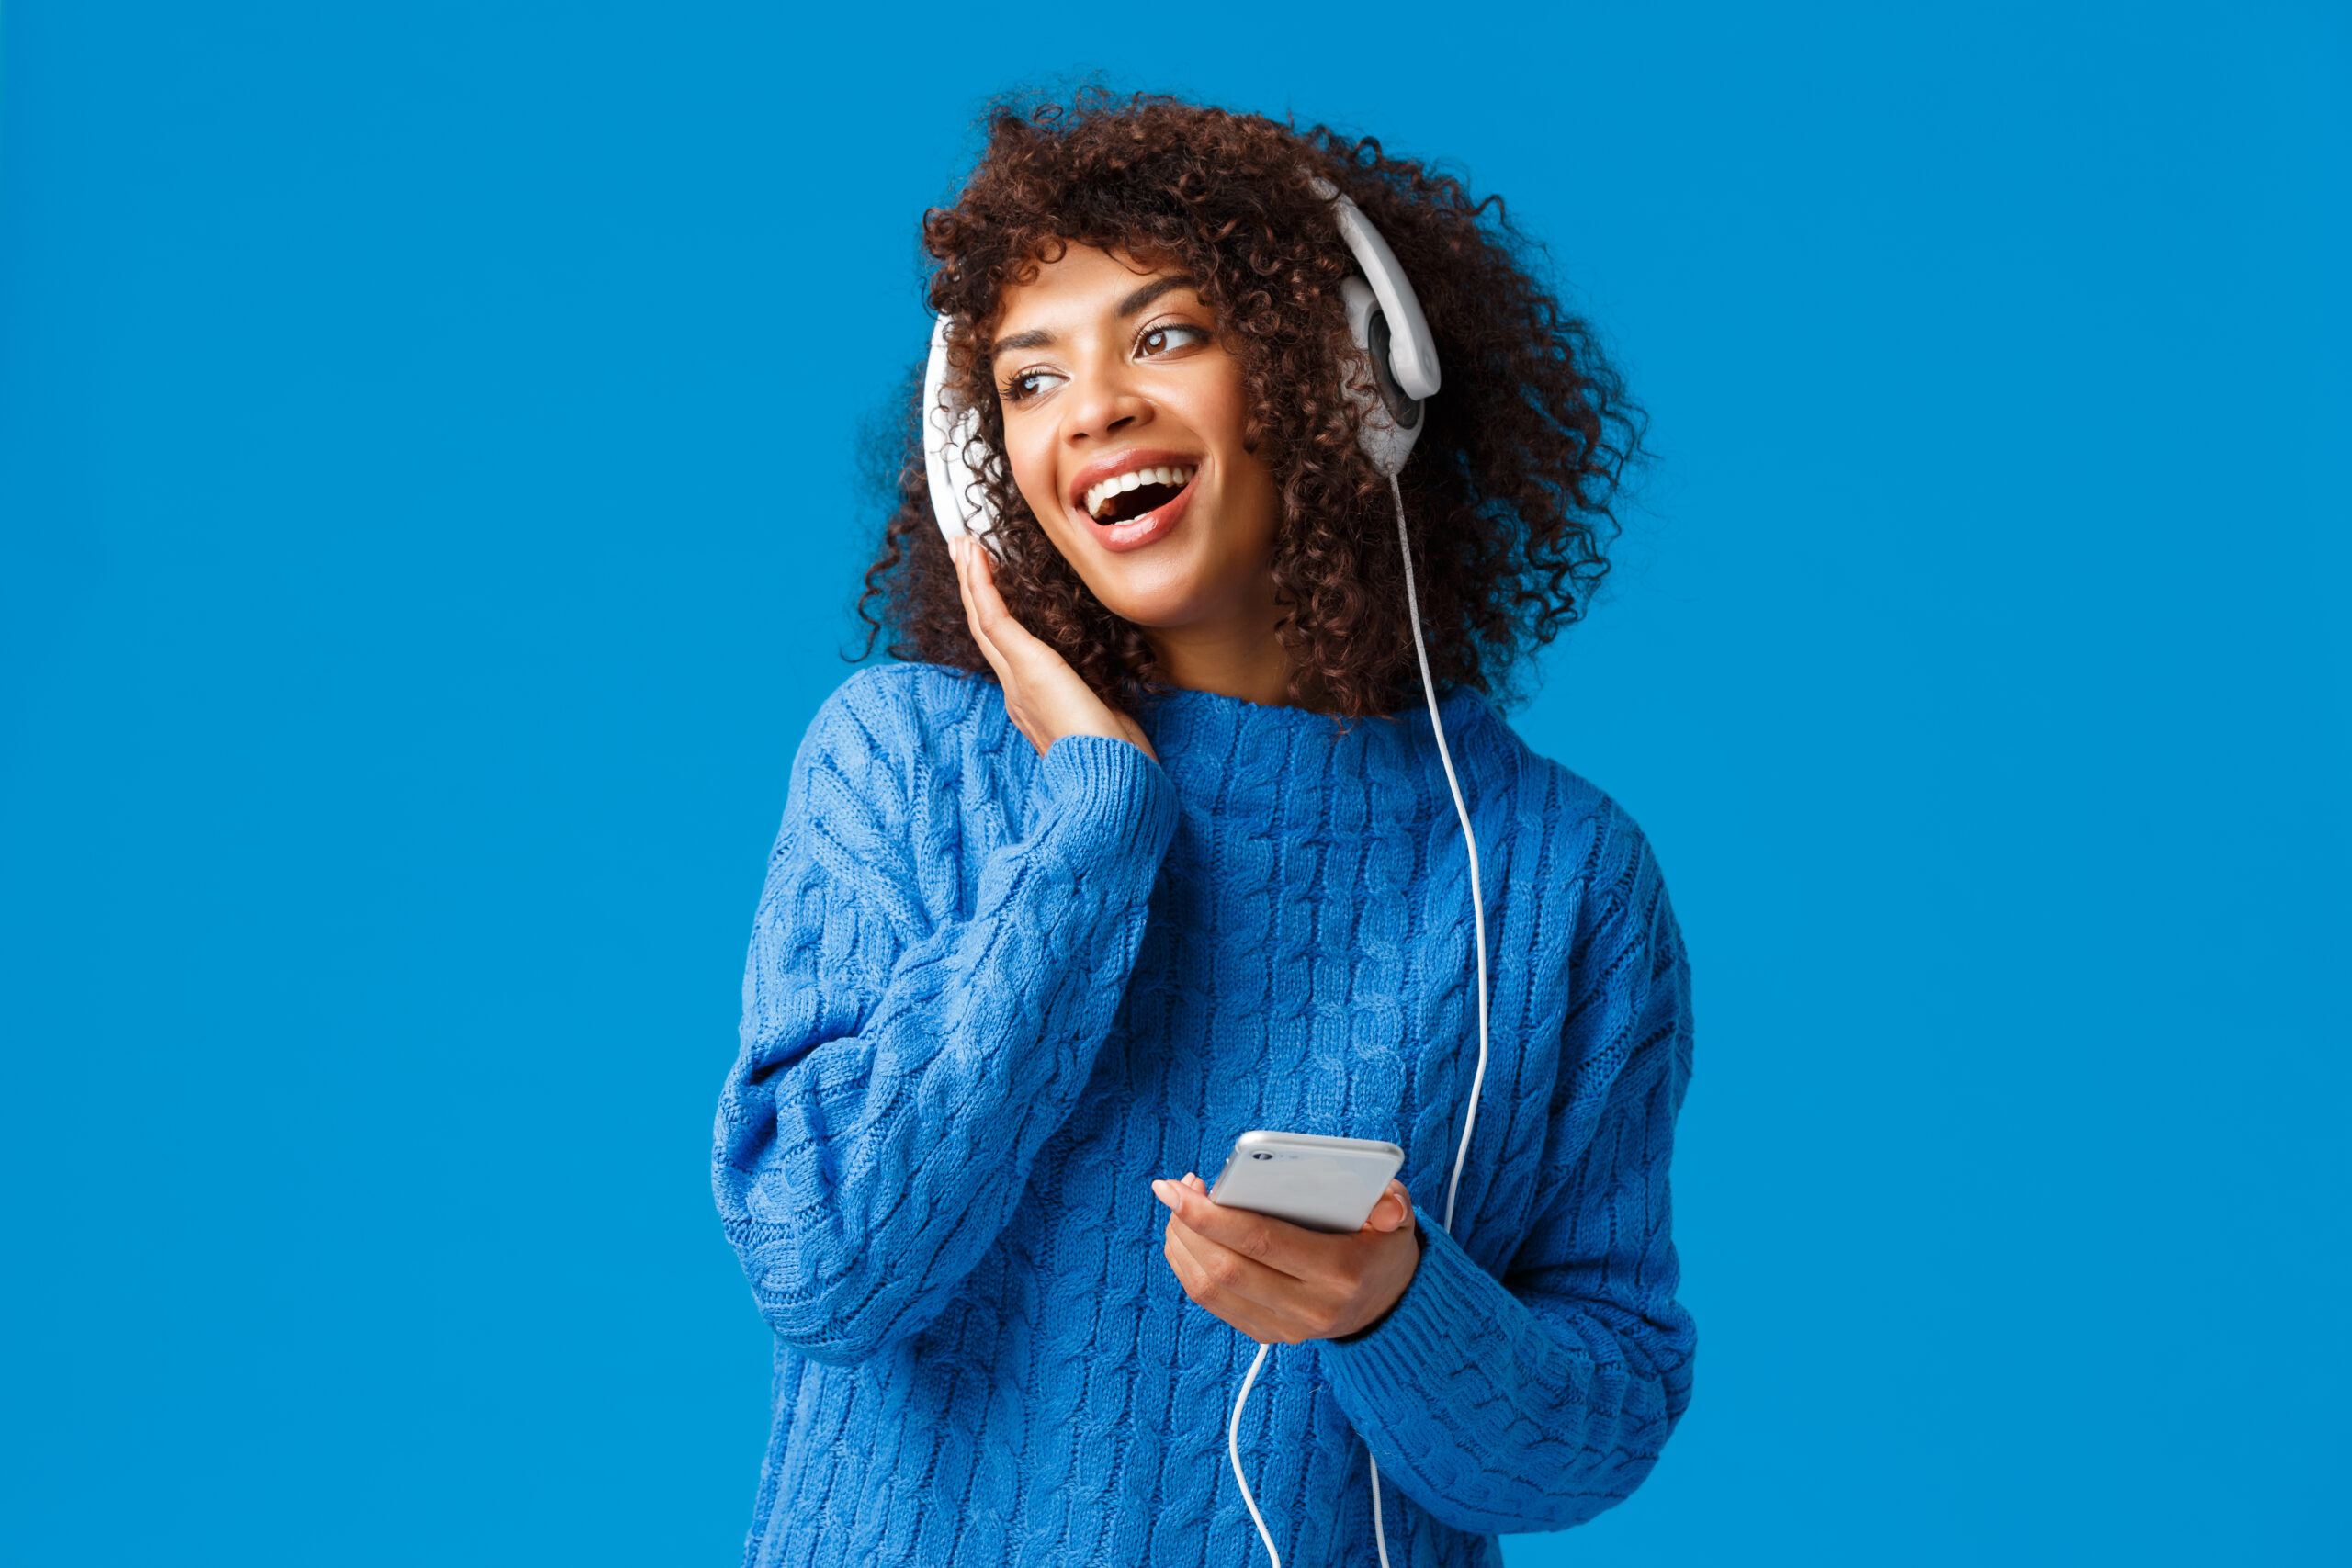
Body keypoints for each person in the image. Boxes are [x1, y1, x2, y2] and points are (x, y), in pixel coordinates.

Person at [712, 91, 1695, 1568]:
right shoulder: (906, 761)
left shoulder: (1555, 877)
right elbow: (823, 1260)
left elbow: (1595, 1428)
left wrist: (1392, 1306)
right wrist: (1096, 822)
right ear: (989, 465)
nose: (1093, 408)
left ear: (1345, 381)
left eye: (1163, 337)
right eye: (1029, 381)